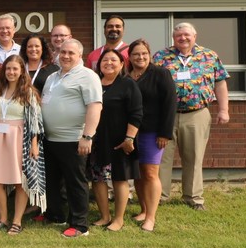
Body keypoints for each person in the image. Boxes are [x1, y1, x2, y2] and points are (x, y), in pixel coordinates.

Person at [153, 22, 230, 211]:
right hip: (165, 115)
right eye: (179, 35)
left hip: (197, 114)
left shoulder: (209, 56)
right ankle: (160, 196)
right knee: (162, 158)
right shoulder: (161, 56)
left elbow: (220, 83)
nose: (183, 38)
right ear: (173, 38)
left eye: (187, 35)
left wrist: (223, 109)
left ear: (194, 36)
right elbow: (151, 84)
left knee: (194, 157)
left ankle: (193, 197)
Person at [41, 39, 103, 238]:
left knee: (75, 183)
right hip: (50, 139)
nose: (66, 56)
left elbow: (95, 106)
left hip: (74, 139)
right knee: (52, 181)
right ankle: (55, 214)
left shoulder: (88, 76)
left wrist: (87, 136)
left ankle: (79, 225)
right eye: (62, 52)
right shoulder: (52, 77)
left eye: (71, 53)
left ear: (80, 56)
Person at [0, 54, 46, 235]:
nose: (11, 72)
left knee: (20, 181)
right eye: (8, 68)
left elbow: (35, 120)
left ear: (21, 71)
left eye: (15, 69)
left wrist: (34, 145)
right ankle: (3, 218)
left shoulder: (29, 92)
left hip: (20, 138)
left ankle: (17, 221)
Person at [89, 48, 143, 231]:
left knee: (120, 178)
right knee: (98, 178)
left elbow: (136, 113)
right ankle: (105, 216)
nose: (108, 63)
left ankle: (118, 219)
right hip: (97, 140)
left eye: (114, 60)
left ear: (121, 65)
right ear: (99, 64)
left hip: (120, 140)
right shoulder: (94, 83)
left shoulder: (128, 84)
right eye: (105, 60)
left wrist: (129, 138)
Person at [127, 39, 176, 232]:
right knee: (137, 173)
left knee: (150, 173)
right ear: (129, 57)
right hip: (131, 132)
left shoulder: (161, 74)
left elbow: (170, 104)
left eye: (144, 54)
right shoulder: (127, 76)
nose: (140, 57)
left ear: (150, 55)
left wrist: (165, 132)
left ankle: (151, 217)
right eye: (136, 54)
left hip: (153, 132)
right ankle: (143, 209)